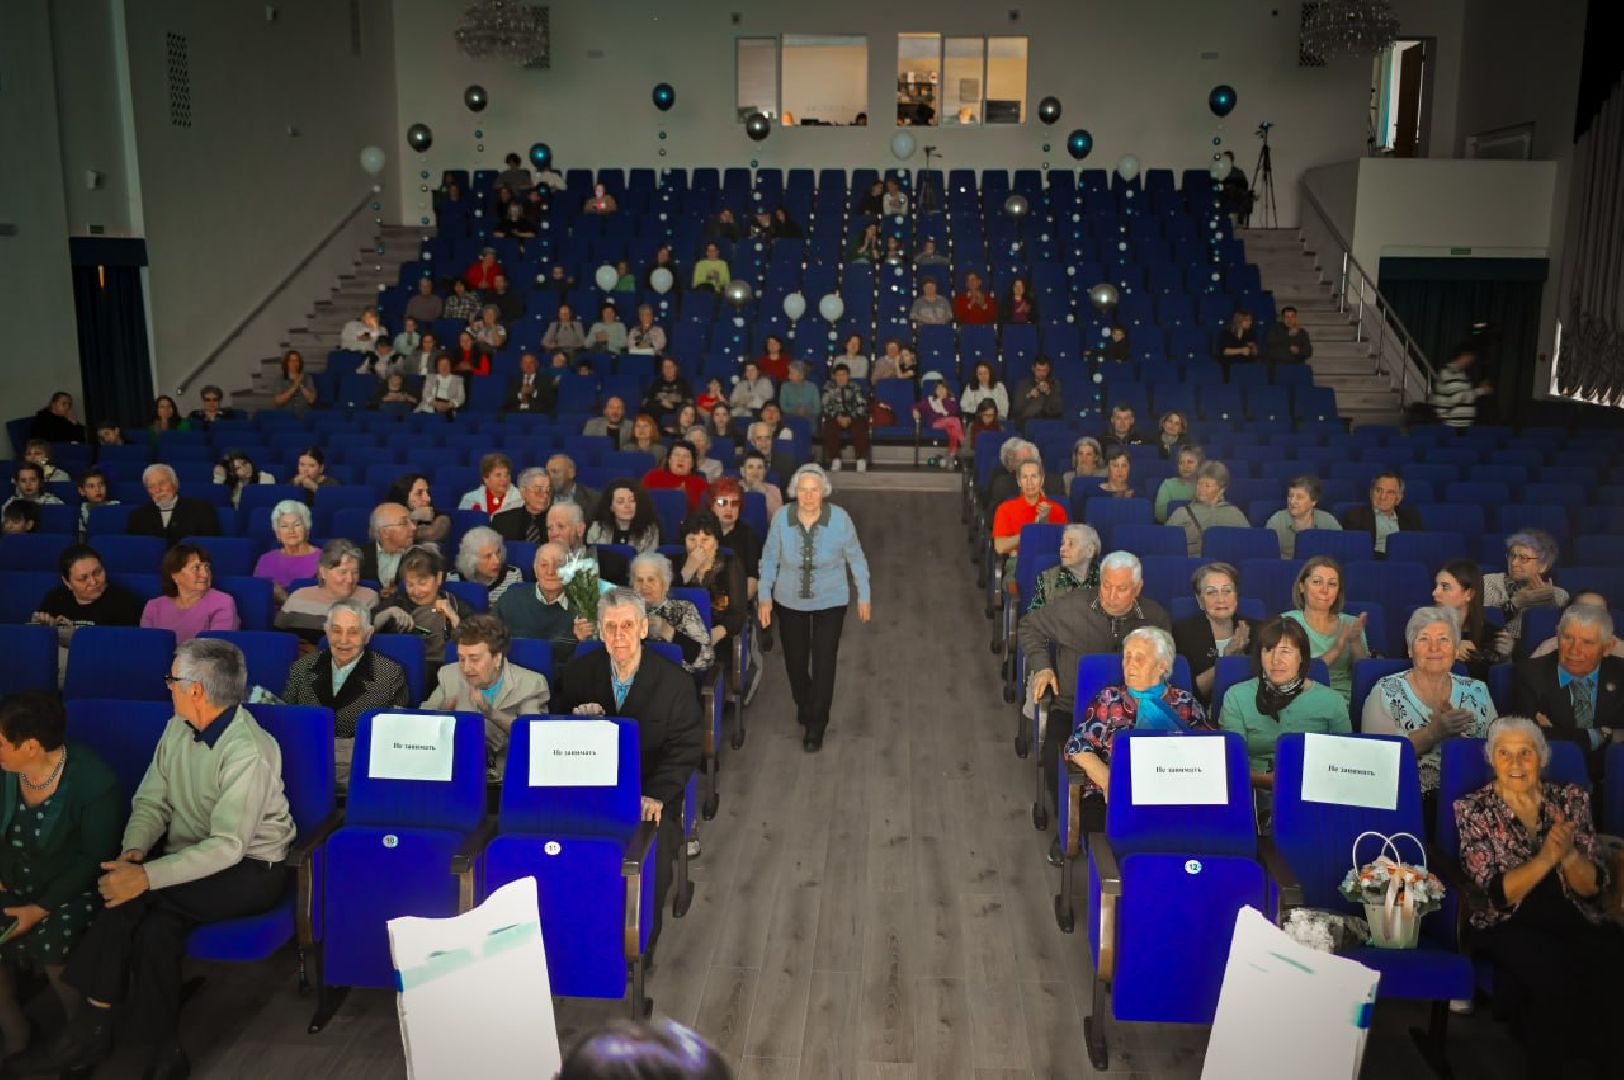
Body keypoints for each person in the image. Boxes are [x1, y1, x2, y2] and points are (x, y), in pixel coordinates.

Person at [24, 639, 294, 1079]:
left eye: (172, 679)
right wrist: (134, 852)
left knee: (133, 901)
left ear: (196, 691)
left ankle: (90, 1031)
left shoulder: (249, 750)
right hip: (188, 863)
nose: (166, 686)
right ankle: (162, 1052)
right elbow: (152, 801)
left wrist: (144, 877)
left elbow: (228, 846)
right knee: (155, 932)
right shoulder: (177, 727)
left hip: (250, 872)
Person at [1453, 716, 1624, 1078]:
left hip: (1572, 912)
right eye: (1505, 754)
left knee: (1612, 962)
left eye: (1525, 753)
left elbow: (1592, 887)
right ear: (1492, 759)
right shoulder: (1474, 809)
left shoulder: (1571, 799)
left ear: (1542, 758)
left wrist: (1569, 855)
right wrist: (1546, 858)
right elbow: (1495, 894)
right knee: (1554, 975)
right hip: (1509, 921)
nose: (1515, 764)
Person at [554, 587, 701, 958]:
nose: (619, 635)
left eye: (627, 626)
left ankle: (639, 949)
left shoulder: (675, 683)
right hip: (589, 790)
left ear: (643, 629)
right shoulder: (577, 674)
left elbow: (685, 750)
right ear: (600, 633)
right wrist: (575, 722)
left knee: (653, 848)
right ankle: (575, 936)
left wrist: (656, 795)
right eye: (610, 627)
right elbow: (551, 729)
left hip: (651, 792)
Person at [0, 692, 122, 1061]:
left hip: (71, 887)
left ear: (32, 747)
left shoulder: (94, 781)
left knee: (56, 945)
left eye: (4, 743)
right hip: (11, 878)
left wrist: (40, 908)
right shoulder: (7, 772)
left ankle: (84, 1036)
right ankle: (15, 1032)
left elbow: (93, 859)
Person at [1021, 550, 1173, 844]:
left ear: (1138, 588)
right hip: (1072, 709)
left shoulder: (1155, 616)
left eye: (1122, 588)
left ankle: (1139, 835)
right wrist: (1042, 666)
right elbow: (1029, 626)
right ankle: (1070, 829)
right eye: (1106, 585)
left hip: (1134, 711)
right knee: (1059, 754)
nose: (1112, 595)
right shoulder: (1071, 607)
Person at [1063, 627, 1213, 848]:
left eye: (1139, 658)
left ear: (1162, 665)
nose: (1129, 664)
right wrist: (1111, 784)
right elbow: (1077, 746)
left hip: (1174, 797)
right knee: (1105, 828)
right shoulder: (1110, 699)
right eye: (1127, 657)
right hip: (1111, 795)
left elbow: (1210, 752)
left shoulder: (1184, 703)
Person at [758, 465, 871, 752]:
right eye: (803, 490)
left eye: (814, 490)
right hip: (789, 600)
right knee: (795, 662)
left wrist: (864, 595)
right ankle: (804, 701)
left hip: (830, 600)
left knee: (824, 661)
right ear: (795, 492)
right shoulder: (782, 517)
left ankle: (816, 724)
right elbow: (769, 558)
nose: (808, 496)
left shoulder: (840, 519)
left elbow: (856, 557)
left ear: (824, 493)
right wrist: (764, 595)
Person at [1363, 606, 1497, 807]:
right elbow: (1375, 760)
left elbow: (1498, 752)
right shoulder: (1386, 691)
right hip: (1408, 800)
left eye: (1443, 639)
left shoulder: (1478, 690)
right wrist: (1433, 733)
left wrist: (1460, 743)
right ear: (1410, 649)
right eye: (1424, 639)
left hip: (1472, 800)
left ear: (1455, 649)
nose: (1434, 648)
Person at [281, 600, 410, 785]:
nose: (343, 640)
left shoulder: (390, 674)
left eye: (353, 632)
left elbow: (394, 739)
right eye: (336, 630)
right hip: (304, 771)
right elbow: (288, 721)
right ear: (326, 630)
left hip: (360, 775)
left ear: (368, 634)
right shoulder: (301, 668)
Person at [1218, 618, 1349, 787]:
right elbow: (1232, 764)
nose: (1275, 660)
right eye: (1268, 650)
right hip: (1252, 791)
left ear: (1301, 656)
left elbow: (1344, 763)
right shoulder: (1236, 696)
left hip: (1316, 789)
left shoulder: (1332, 701)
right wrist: (1268, 781)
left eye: (1285, 651)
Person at [424, 614, 549, 782]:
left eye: (474, 659)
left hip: (513, 775)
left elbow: (534, 737)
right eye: (461, 659)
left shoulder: (531, 683)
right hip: (461, 774)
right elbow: (421, 726)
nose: (466, 668)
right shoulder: (449, 676)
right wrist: (442, 713)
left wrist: (490, 712)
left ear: (497, 658)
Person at [1512, 605, 1624, 780]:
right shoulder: (1531, 674)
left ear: (1608, 647)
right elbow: (1528, 736)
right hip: (1553, 776)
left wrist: (1558, 732)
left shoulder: (1621, 674)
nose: (1574, 650)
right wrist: (1600, 734)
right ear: (1557, 634)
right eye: (1567, 638)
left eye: (1587, 642)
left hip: (1615, 777)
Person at [495, 543, 597, 668]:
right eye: (544, 565)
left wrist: (583, 642)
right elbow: (487, 640)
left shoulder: (584, 605)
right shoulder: (512, 598)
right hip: (514, 679)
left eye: (559, 565)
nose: (550, 571)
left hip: (563, 682)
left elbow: (591, 663)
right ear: (535, 568)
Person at [1283, 556, 1368, 703]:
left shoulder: (1351, 623)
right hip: (1302, 695)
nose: (1325, 590)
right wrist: (1338, 646)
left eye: (1332, 584)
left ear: (1338, 591)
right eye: (1317, 582)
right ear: (1302, 586)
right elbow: (1295, 675)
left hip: (1346, 699)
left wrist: (1355, 643)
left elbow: (1363, 675)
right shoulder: (1287, 623)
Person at [1173, 562, 1261, 703]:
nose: (1221, 599)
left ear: (1236, 596)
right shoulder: (1182, 634)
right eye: (1211, 592)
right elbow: (1187, 694)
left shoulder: (1259, 630)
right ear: (1199, 600)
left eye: (1227, 591)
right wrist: (1226, 660)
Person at [678, 511, 749, 683]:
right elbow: (666, 602)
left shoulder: (731, 566)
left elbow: (738, 614)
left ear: (716, 543)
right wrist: (688, 570)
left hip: (718, 635)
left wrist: (714, 635)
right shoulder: (675, 564)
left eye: (705, 540)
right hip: (682, 635)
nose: (698, 546)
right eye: (692, 539)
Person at [31, 544, 143, 653]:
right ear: (67, 582)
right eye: (82, 578)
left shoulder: (125, 601)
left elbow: (127, 647)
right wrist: (42, 628)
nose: (94, 582)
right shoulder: (55, 598)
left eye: (97, 572)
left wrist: (79, 640)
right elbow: (36, 643)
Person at [275, 539, 379, 643]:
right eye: (343, 572)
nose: (350, 579)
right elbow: (280, 641)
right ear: (323, 572)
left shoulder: (369, 598)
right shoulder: (298, 599)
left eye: (355, 572)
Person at [1482, 528, 1570, 650]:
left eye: (1523, 558)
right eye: (1512, 556)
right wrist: (1515, 603)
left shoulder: (1558, 596)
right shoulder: (1489, 584)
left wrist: (1550, 603)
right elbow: (1484, 626)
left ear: (1543, 566)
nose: (1514, 563)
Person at [139, 543, 239, 644]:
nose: (205, 574)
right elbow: (147, 647)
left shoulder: (223, 602)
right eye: (196, 568)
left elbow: (217, 650)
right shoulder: (153, 607)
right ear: (175, 575)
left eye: (207, 567)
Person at [630, 553, 713, 674]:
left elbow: (705, 660)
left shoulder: (683, 610)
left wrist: (669, 632)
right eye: (639, 580)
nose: (645, 586)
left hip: (673, 684)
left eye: (651, 579)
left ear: (665, 583)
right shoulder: (625, 612)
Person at [1432, 559, 1505, 678]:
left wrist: (1506, 656)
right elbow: (1410, 659)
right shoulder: (1422, 625)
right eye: (1436, 586)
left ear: (1469, 594)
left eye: (1445, 587)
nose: (1435, 593)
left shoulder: (1491, 635)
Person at [992, 460, 1068, 570]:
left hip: (1053, 565)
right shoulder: (1005, 509)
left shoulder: (1057, 509)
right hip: (1020, 564)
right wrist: (1033, 528)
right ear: (1018, 482)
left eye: (1034, 476)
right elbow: (999, 547)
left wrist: (1045, 523)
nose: (1029, 482)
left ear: (1042, 480)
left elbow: (1065, 545)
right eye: (1024, 477)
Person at [127, 464, 220, 546]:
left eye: (162, 483)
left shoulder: (202, 510)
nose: (158, 490)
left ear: (175, 483)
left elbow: (210, 547)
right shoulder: (137, 517)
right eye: (152, 486)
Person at [547, 502, 630, 586]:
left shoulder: (613, 565)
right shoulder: (541, 565)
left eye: (561, 526)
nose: (554, 533)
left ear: (580, 529)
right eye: (549, 528)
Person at [253, 500, 320, 602]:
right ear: (277, 533)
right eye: (284, 526)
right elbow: (257, 597)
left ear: (307, 528)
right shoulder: (266, 560)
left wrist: (283, 597)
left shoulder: (323, 559)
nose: (291, 531)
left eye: (296, 525)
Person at [1339, 471, 1420, 557]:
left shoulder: (1411, 518)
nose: (1383, 497)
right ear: (1371, 493)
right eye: (1378, 490)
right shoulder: (1354, 516)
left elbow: (1416, 549)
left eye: (1390, 492)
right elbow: (1355, 551)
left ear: (1398, 498)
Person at [1028, 523, 1102, 613]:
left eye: (1071, 544)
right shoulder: (1047, 579)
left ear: (1089, 551)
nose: (1062, 549)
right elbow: (1034, 619)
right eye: (1062, 543)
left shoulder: (1107, 579)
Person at [1265, 475, 1341, 558]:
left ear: (1313, 501)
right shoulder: (1277, 520)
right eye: (1290, 496)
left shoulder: (1328, 521)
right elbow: (1268, 554)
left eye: (1299, 497)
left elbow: (1339, 550)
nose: (1292, 501)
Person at [356, 501, 423, 592]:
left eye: (412, 521)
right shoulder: (359, 556)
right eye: (404, 523)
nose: (413, 527)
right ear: (385, 532)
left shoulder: (421, 554)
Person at [449, 526, 524, 605]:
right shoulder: (453, 579)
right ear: (471, 560)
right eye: (488, 556)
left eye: (498, 552)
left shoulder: (513, 576)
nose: (497, 561)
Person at [1427, 345, 1492, 429]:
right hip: (1450, 426)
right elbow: (1458, 397)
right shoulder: (1449, 372)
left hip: (1460, 425)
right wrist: (1482, 390)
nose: (1472, 360)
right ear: (1464, 355)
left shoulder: (1462, 374)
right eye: (1471, 357)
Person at [586, 480, 661, 552]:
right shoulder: (598, 528)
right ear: (611, 506)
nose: (627, 506)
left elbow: (649, 561)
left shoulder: (649, 531)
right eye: (620, 502)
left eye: (632, 500)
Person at [820, 364, 869, 472]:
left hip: (853, 416)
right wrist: (838, 417)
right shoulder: (828, 387)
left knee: (861, 425)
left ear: (848, 376)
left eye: (844, 374)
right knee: (829, 427)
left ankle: (861, 459)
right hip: (835, 416)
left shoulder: (855, 386)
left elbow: (861, 404)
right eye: (838, 375)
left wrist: (850, 417)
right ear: (834, 376)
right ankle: (835, 459)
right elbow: (825, 405)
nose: (841, 377)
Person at [388, 473, 454, 550]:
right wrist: (414, 516)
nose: (428, 499)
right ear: (404, 496)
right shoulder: (387, 515)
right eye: (419, 493)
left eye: (428, 493)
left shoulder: (441, 517)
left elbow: (432, 533)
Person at [491, 467, 555, 545]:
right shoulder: (501, 521)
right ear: (523, 492)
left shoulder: (560, 520)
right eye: (538, 490)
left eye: (548, 490)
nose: (545, 495)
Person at [642, 442, 710, 510]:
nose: (681, 459)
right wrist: (672, 495)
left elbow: (707, 507)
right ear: (669, 460)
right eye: (677, 455)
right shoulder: (653, 476)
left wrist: (684, 498)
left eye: (686, 456)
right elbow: (642, 500)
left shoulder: (700, 483)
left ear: (692, 463)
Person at [915, 373, 964, 463]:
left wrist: (944, 400)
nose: (941, 390)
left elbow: (953, 412)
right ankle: (964, 443)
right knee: (955, 420)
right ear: (935, 391)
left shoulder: (951, 401)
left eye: (943, 388)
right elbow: (915, 406)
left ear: (947, 390)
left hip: (948, 423)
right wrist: (915, 411)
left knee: (952, 430)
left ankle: (951, 454)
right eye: (938, 388)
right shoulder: (930, 400)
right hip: (935, 423)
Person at [1152, 445, 1205, 523]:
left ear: (1199, 465)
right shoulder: (1168, 485)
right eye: (1181, 463)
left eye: (1190, 462)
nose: (1185, 466)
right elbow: (1160, 515)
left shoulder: (1208, 485)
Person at [459, 452, 522, 517]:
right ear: (486, 479)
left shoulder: (520, 498)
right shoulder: (470, 499)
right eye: (498, 475)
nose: (504, 479)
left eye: (507, 475)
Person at [1009, 356, 1062, 428]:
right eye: (1039, 370)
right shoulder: (1023, 385)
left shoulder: (1054, 385)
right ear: (1033, 369)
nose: (1042, 374)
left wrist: (1049, 394)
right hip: (1027, 424)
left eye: (1044, 370)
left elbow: (1058, 410)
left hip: (1048, 424)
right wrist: (1029, 396)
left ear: (1048, 370)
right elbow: (1016, 410)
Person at [417, 352, 466, 418]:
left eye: (447, 364)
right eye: (441, 365)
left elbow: (461, 398)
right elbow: (425, 395)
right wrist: (436, 404)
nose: (444, 367)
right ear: (437, 367)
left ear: (451, 366)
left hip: (449, 409)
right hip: (429, 408)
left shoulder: (458, 379)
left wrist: (448, 405)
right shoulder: (430, 378)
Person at [272, 349, 316, 416]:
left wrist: (301, 384)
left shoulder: (308, 377)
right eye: (291, 361)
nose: (294, 363)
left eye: (296, 360)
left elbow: (311, 400)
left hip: (304, 415)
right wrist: (294, 386)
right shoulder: (280, 379)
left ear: (300, 363)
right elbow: (278, 401)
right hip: (286, 415)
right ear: (286, 363)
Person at [1215, 309, 1258, 374]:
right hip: (1229, 362)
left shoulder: (1250, 333)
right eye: (1247, 320)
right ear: (1239, 321)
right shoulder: (1226, 332)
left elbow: (1255, 353)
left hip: (1245, 362)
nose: (1250, 322)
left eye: (1250, 320)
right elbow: (1224, 351)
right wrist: (1241, 351)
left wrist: (1254, 347)